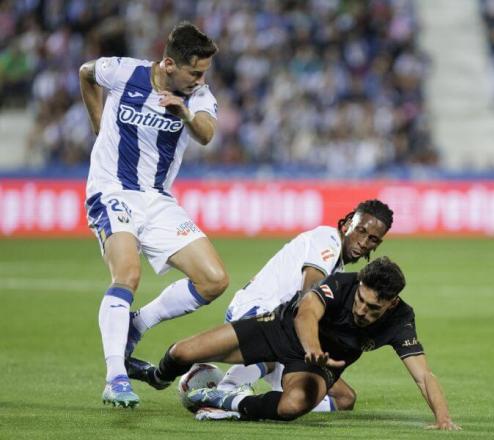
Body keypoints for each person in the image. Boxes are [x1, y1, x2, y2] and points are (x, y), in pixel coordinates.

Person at [79, 22, 228, 408]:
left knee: (214, 280)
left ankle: (137, 324)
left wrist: (184, 112)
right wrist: (99, 127)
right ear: (168, 64)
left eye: (204, 74)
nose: (200, 80)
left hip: (157, 200)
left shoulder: (197, 96)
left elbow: (207, 133)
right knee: (127, 274)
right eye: (194, 72)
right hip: (112, 190)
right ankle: (115, 377)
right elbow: (87, 73)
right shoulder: (124, 72)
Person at [129, 257, 460, 430]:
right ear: (359, 285)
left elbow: (423, 375)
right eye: (360, 300)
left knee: (293, 405)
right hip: (282, 329)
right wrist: (312, 347)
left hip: (317, 364)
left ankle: (228, 403)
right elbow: (306, 313)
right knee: (182, 352)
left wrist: (443, 417)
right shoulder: (342, 283)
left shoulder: (401, 319)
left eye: (373, 308)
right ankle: (157, 377)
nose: (361, 310)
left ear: (391, 303)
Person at [166, 199, 393, 413]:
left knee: (344, 399)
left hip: (286, 327)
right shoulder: (328, 239)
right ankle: (227, 390)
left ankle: (244, 398)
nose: (363, 242)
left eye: (373, 239)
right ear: (347, 223)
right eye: (361, 231)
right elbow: (309, 289)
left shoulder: (339, 268)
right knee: (277, 344)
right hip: (258, 311)